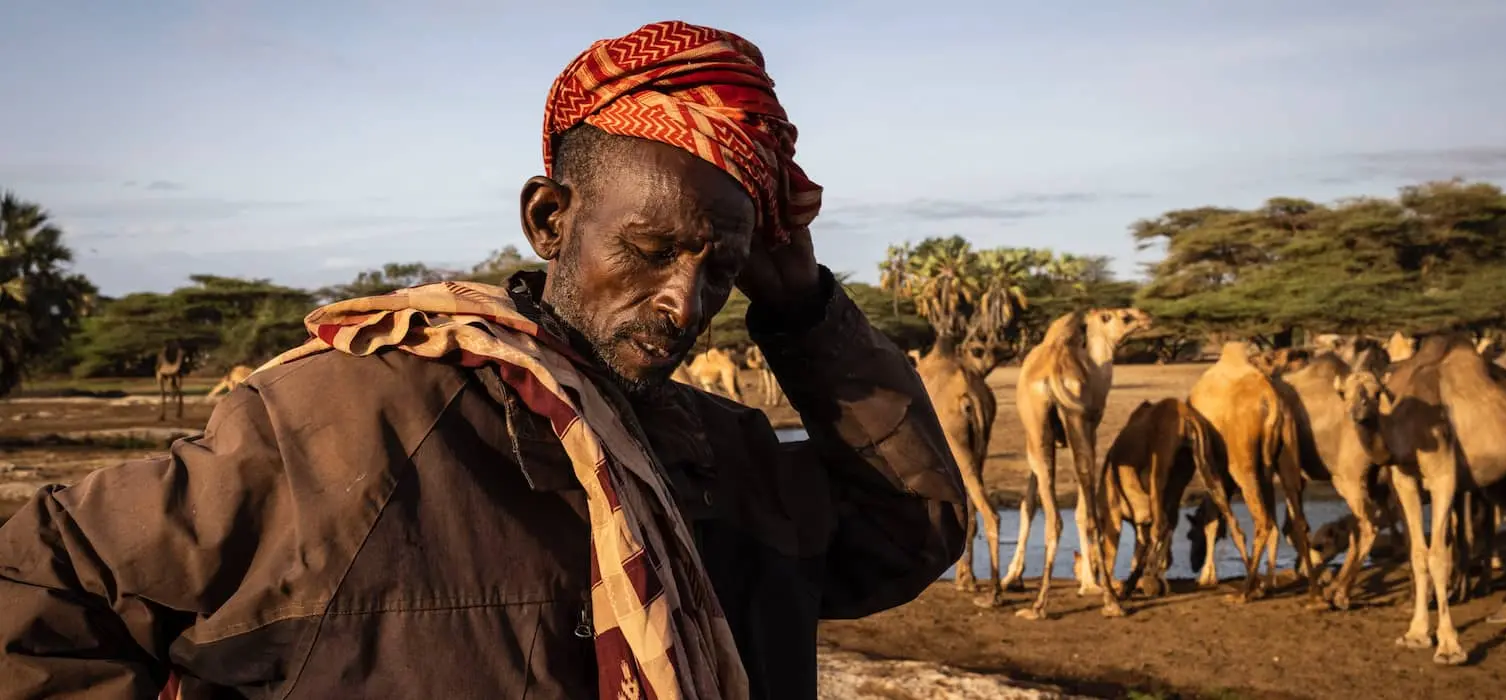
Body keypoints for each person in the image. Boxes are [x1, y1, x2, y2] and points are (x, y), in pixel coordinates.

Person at [0, 19, 967, 700]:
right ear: (551, 220)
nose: (684, 303)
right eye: (651, 249)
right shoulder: (355, 420)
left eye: (720, 267)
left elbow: (908, 534)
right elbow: (39, 584)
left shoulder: (726, 453)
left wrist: (801, 305)